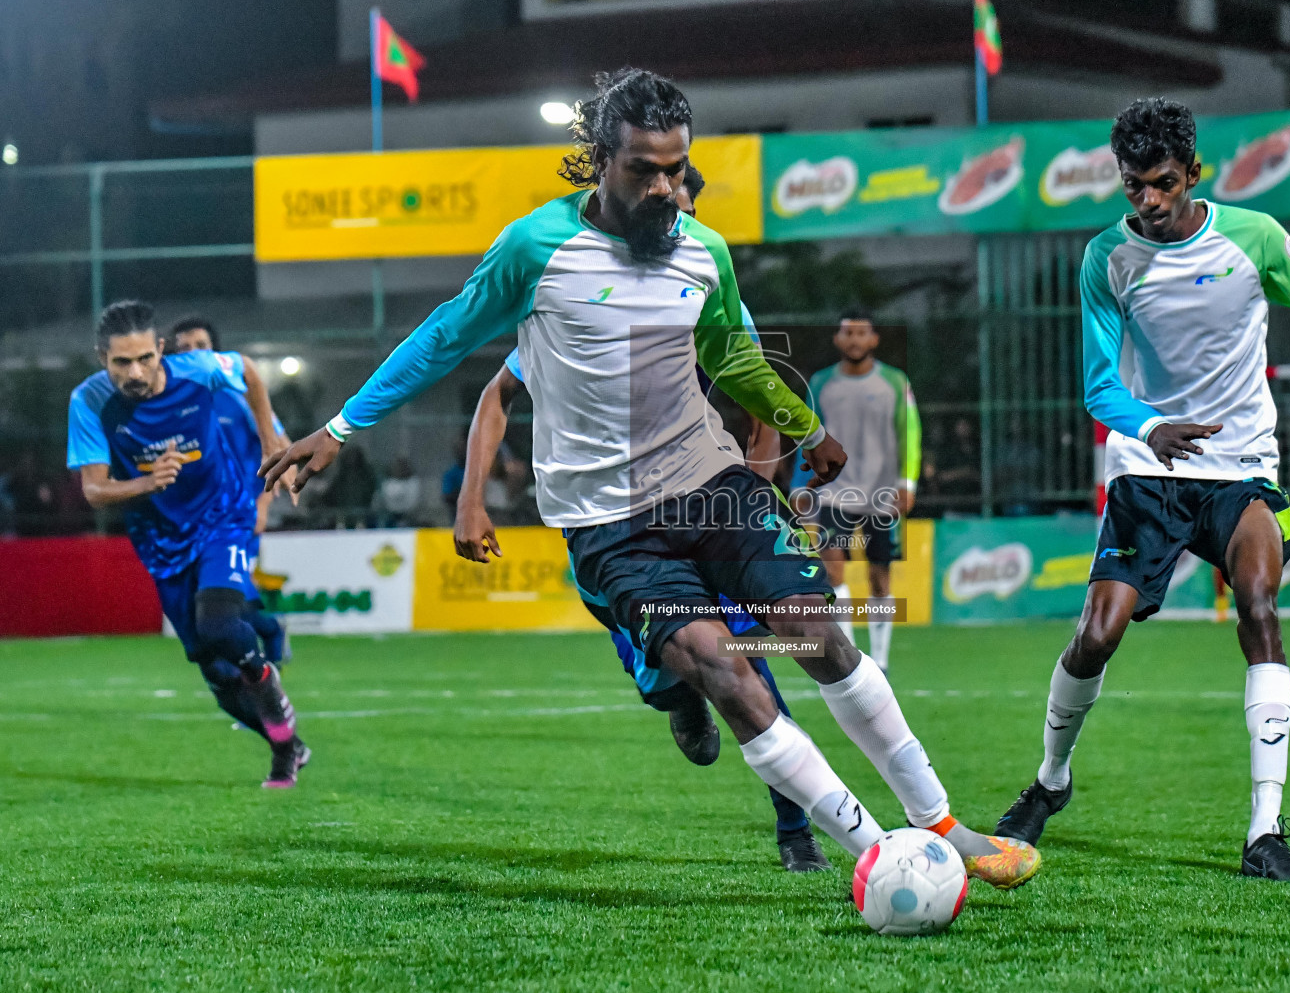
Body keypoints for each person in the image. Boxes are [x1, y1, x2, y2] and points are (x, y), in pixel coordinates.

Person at [262, 67, 1038, 888]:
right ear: (602, 159)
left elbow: (732, 353)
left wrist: (808, 427)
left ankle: (942, 824)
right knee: (719, 667)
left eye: (677, 169)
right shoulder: (535, 248)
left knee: (820, 633)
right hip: (611, 522)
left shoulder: (703, 252)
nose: (668, 189)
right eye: (646, 171)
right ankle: (874, 855)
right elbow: (444, 340)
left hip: (711, 485)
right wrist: (341, 427)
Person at [994, 98, 1290, 882]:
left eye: (1163, 183)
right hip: (1148, 472)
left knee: (1260, 607)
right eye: (1133, 186)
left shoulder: (1257, 239)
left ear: (1194, 172)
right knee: (1099, 634)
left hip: (1242, 470)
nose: (1148, 201)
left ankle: (1264, 833)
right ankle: (1051, 780)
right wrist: (1149, 426)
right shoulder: (1106, 258)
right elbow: (1100, 388)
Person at [451, 164, 831, 873]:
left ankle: (795, 827)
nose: (661, 212)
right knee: (674, 679)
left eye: (676, 201)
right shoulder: (583, 309)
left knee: (753, 663)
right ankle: (674, 695)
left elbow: (761, 405)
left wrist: (759, 495)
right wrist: (471, 499)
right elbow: (496, 396)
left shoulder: (708, 289)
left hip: (707, 508)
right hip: (615, 528)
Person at [68, 300, 309, 787]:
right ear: (102, 358)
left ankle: (265, 677)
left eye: (144, 359)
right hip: (159, 537)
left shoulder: (197, 369)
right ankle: (286, 746)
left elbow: (247, 371)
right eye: (121, 362)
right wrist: (146, 483)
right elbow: (94, 490)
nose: (135, 372)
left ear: (161, 351)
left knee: (219, 623)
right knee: (212, 669)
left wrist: (270, 440)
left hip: (223, 514)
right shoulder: (89, 402)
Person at [791, 310, 920, 670]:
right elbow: (806, 434)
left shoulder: (895, 382)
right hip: (835, 492)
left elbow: (909, 432)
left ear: (874, 339)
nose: (854, 340)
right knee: (833, 573)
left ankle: (880, 660)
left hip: (881, 493)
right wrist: (801, 486)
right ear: (838, 339)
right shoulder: (820, 383)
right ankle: (851, 656)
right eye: (848, 333)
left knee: (880, 577)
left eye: (862, 333)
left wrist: (907, 483)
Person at [169, 316, 293, 665]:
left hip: (238, 516)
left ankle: (261, 686)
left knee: (218, 611)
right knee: (219, 609)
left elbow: (279, 446)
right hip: (195, 520)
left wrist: (264, 503)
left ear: (216, 352)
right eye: (184, 349)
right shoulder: (173, 402)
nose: (193, 355)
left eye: (201, 347)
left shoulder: (237, 395)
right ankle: (268, 636)